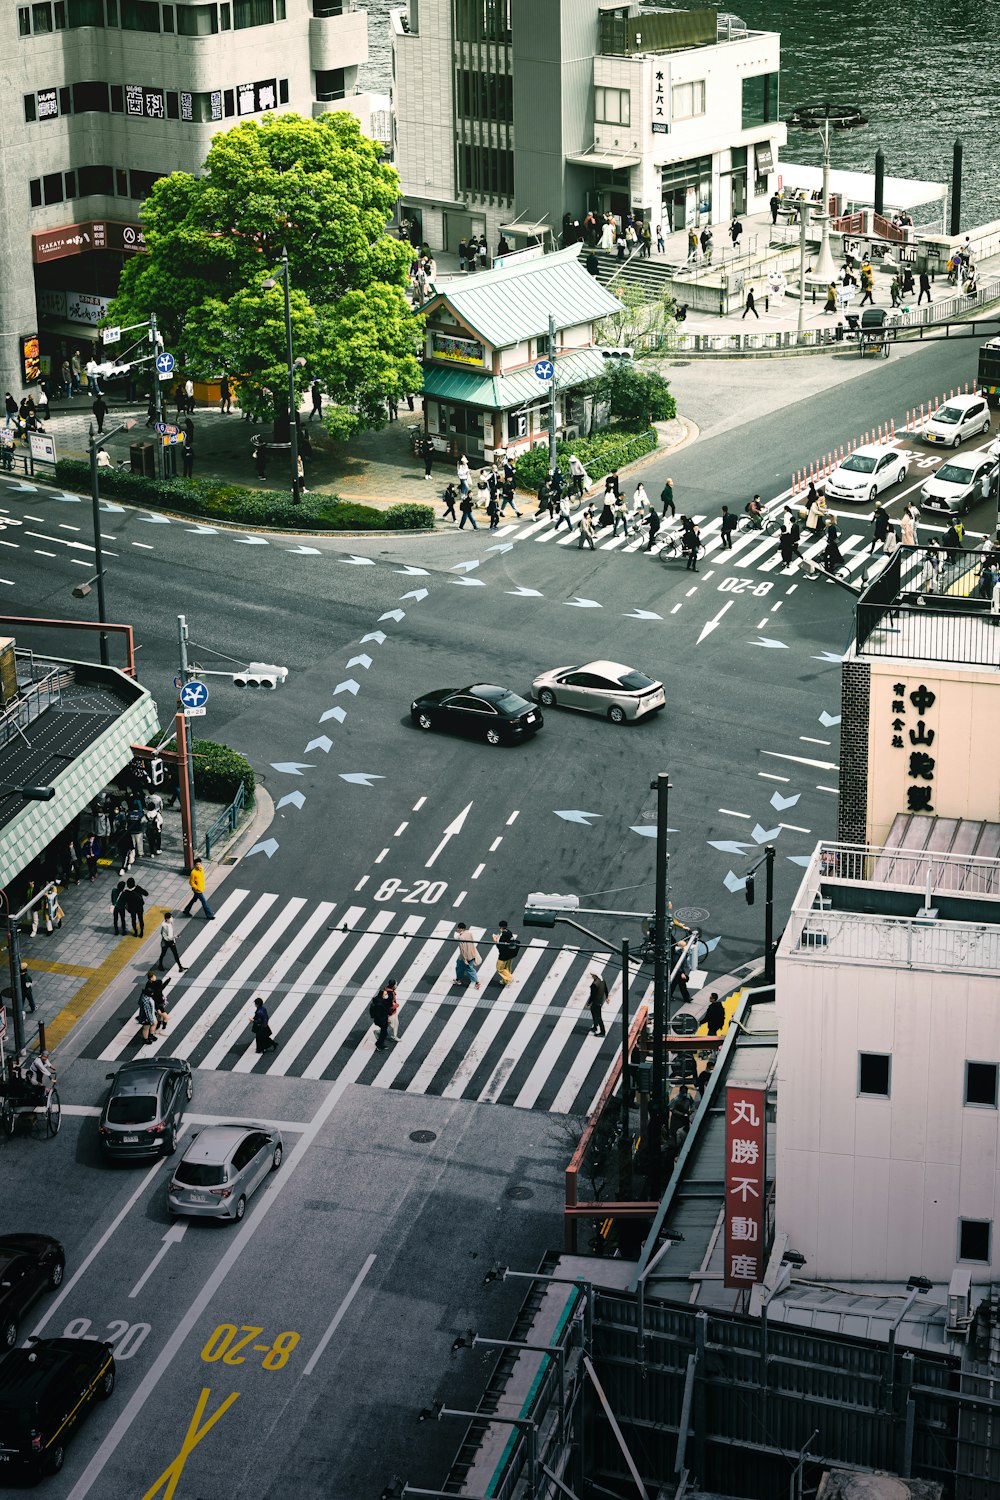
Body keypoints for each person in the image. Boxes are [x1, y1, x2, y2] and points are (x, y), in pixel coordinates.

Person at [492, 920, 519, 986]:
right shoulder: (509, 932)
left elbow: (500, 947)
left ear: (501, 927)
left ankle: (509, 978)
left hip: (503, 956)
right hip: (510, 954)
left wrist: (496, 940)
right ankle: (505, 981)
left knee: (500, 968)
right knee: (507, 967)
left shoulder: (503, 936)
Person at [454, 924, 480, 989]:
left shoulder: (460, 937)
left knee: (460, 967)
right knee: (470, 968)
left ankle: (459, 980)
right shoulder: (469, 933)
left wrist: (465, 959)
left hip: (465, 956)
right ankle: (476, 982)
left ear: (460, 929)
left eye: (458, 928)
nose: (457, 929)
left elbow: (462, 950)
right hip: (471, 954)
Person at [587, 971, 608, 1036]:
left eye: (592, 975)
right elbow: (605, 989)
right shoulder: (602, 980)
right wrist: (607, 996)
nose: (592, 976)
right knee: (593, 1011)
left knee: (598, 1016)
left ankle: (602, 1032)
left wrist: (588, 1003)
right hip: (600, 1000)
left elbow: (592, 995)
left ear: (595, 976)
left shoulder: (594, 984)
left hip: (596, 1002)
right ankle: (595, 1026)